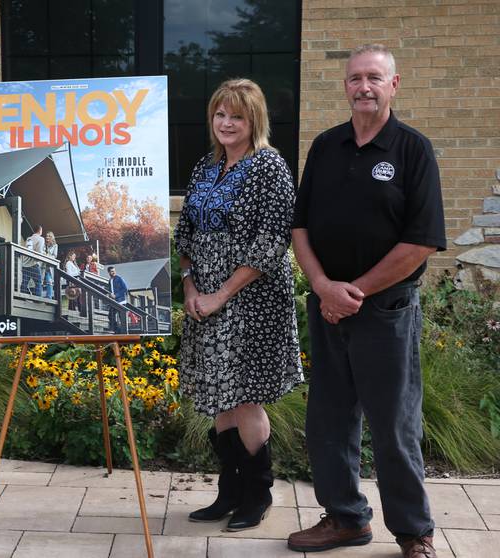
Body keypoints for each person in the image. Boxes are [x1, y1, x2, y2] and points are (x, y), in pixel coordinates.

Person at [288, 44, 445, 558]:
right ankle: (345, 519)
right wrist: (322, 286)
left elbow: (421, 240)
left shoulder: (412, 150)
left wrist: (354, 292)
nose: (364, 87)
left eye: (374, 78)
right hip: (328, 305)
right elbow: (301, 226)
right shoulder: (326, 147)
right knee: (328, 421)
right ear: (346, 86)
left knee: (394, 423)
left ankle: (414, 532)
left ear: (393, 85)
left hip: (386, 311)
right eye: (355, 78)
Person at [173, 79, 302, 532]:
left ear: (255, 121)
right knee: (219, 398)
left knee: (245, 397)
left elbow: (271, 243)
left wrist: (220, 294)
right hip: (204, 299)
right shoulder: (205, 166)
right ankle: (229, 492)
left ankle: (258, 493)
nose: (227, 123)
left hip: (252, 302)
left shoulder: (270, 167)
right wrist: (190, 286)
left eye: (237, 117)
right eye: (220, 115)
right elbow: (185, 232)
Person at [21, 225, 45, 296]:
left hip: (25, 263)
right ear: (40, 230)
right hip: (33, 263)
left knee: (24, 282)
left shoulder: (29, 239)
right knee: (38, 281)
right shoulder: (41, 239)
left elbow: (28, 250)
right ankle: (38, 299)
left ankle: (22, 297)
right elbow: (39, 251)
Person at [107, 266, 129, 333]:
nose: (113, 272)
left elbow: (125, 289)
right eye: (111, 271)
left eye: (114, 271)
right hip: (114, 302)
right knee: (110, 315)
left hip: (121, 301)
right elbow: (110, 290)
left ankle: (124, 332)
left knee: (122, 318)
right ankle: (116, 329)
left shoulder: (119, 278)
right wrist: (109, 294)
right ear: (109, 272)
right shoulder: (110, 280)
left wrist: (116, 295)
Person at [43, 231, 59, 299]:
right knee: (40, 281)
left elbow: (55, 256)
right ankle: (39, 297)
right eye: (46, 236)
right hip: (43, 265)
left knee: (49, 282)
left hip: (49, 267)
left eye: (49, 236)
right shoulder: (44, 244)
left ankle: (49, 297)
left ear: (52, 238)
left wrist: (47, 255)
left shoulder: (55, 245)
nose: (47, 237)